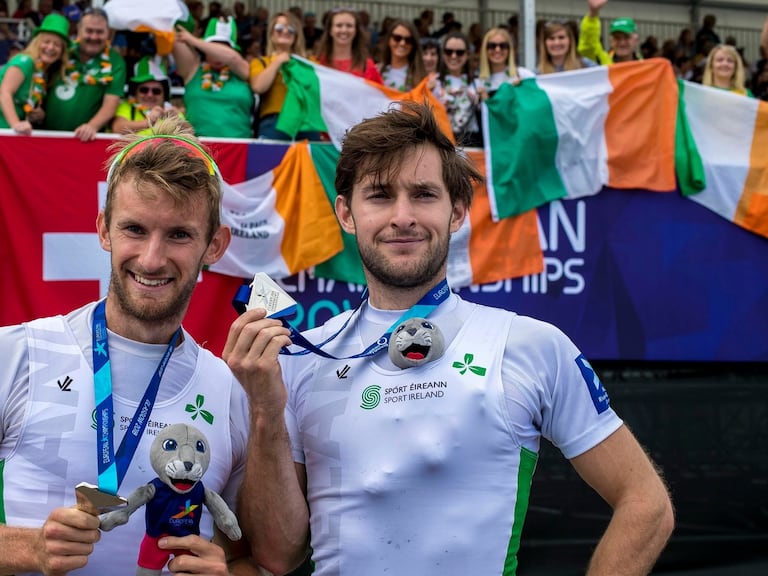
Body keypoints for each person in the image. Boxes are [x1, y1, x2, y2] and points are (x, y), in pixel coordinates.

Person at [223, 101, 675, 576]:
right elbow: (277, 554)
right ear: (346, 213)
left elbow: (646, 504)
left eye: (423, 194)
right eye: (379, 195)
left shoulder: (528, 345)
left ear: (457, 211)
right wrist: (266, 410)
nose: (402, 216)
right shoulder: (297, 356)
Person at [0, 115, 258, 575]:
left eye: (179, 234)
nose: (152, 258)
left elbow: (253, 556)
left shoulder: (230, 388)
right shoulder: (9, 355)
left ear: (215, 245)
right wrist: (29, 549)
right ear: (103, 229)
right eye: (134, 230)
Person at [0, 13, 69, 133]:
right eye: (46, 42)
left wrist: (37, 114)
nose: (50, 47)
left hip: (11, 132)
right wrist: (16, 124)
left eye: (57, 45)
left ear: (62, 51)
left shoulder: (42, 71)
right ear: (37, 42)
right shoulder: (24, 61)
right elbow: (4, 93)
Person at [43, 6, 125, 140]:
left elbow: (111, 103)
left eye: (99, 32)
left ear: (108, 33)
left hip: (83, 140)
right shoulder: (63, 50)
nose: (94, 37)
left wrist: (91, 126)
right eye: (89, 31)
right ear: (79, 30)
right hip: (44, 135)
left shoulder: (116, 61)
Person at [174, 16, 253, 138]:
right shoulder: (192, 69)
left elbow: (232, 58)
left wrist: (193, 40)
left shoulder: (242, 71)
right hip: (198, 145)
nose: (217, 54)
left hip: (238, 147)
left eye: (225, 46)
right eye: (214, 46)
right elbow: (173, 38)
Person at [249, 11, 320, 141]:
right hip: (274, 122)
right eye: (279, 28)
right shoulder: (260, 62)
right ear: (271, 34)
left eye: (291, 28)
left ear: (297, 35)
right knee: (271, 161)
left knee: (309, 162)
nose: (285, 31)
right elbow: (259, 87)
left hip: (307, 122)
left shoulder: (311, 62)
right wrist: (278, 61)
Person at [110, 55, 182, 135]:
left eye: (156, 91)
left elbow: (190, 133)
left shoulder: (171, 112)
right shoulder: (127, 106)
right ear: (135, 92)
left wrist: (178, 122)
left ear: (164, 94)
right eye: (144, 90)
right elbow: (117, 128)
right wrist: (149, 122)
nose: (150, 95)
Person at [434, 31, 480, 146]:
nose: (453, 56)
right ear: (443, 54)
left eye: (459, 52)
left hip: (471, 144)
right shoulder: (434, 83)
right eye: (449, 52)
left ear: (467, 54)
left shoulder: (478, 83)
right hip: (442, 142)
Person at [313, 7, 382, 84]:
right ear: (330, 30)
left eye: (349, 26)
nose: (344, 30)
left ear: (356, 31)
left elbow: (380, 95)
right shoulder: (317, 63)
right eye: (339, 25)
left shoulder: (367, 66)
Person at [476, 26, 533, 99]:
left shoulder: (523, 74)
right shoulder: (479, 82)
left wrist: (524, 88)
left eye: (503, 46)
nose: (497, 50)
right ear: (485, 50)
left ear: (509, 50)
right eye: (492, 46)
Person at [578, 0, 640, 65]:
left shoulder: (646, 66)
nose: (622, 43)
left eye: (626, 37)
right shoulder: (602, 63)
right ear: (611, 41)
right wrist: (593, 13)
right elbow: (588, 45)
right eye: (617, 38)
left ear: (636, 40)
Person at [378, 19, 426, 92]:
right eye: (397, 38)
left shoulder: (420, 76)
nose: (402, 43)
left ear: (413, 45)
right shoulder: (377, 70)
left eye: (408, 40)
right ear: (389, 40)